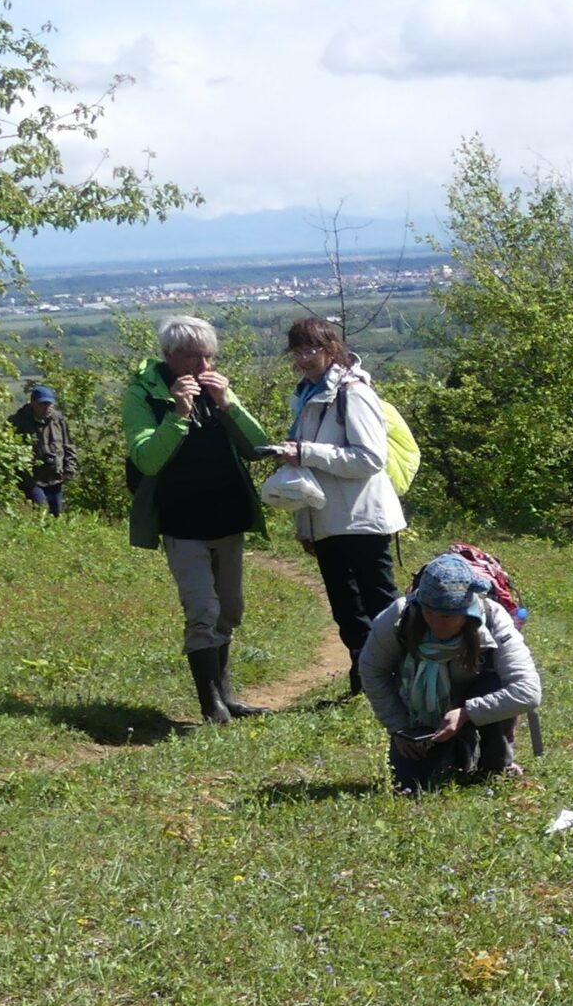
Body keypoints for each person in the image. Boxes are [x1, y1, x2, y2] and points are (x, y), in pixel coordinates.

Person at [121, 317, 273, 724]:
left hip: (227, 517)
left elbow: (259, 447)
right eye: (192, 356)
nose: (202, 365)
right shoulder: (144, 396)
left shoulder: (216, 387)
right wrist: (177, 414)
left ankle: (227, 696)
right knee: (202, 610)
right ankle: (211, 707)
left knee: (229, 609)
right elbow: (147, 458)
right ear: (169, 357)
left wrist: (229, 404)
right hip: (181, 520)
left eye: (208, 355)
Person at [271, 316, 405, 694]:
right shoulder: (308, 394)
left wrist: (306, 452)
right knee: (346, 610)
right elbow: (309, 471)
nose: (302, 359)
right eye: (296, 351)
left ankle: (394, 676)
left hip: (363, 518)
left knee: (379, 605)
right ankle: (366, 678)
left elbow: (369, 459)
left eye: (310, 350)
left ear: (331, 348)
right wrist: (305, 525)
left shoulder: (353, 393)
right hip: (328, 520)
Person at [359, 551, 542, 794]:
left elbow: (528, 691)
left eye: (447, 616)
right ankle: (457, 751)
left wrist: (467, 713)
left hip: (476, 705)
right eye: (429, 612)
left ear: (468, 611)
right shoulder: (398, 617)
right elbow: (372, 671)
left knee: (493, 683)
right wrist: (399, 727)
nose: (436, 623)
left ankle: (496, 763)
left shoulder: (493, 618)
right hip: (418, 716)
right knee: (415, 784)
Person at [9, 384, 75, 515]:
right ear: (33, 403)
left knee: (57, 514)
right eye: (42, 404)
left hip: (55, 476)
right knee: (41, 511)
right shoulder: (18, 421)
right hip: (32, 479)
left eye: (49, 404)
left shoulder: (58, 421)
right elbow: (8, 449)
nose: (46, 407)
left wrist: (70, 469)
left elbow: (69, 446)